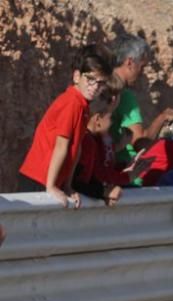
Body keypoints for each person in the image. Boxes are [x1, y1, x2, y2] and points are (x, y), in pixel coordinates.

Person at [17, 45, 113, 207]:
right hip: (38, 177)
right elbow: (61, 146)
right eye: (90, 79)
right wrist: (51, 186)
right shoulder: (72, 103)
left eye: (101, 83)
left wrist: (68, 186)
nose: (95, 86)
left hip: (47, 178)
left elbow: (75, 150)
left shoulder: (82, 105)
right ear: (77, 76)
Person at [108, 34, 173, 165]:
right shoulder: (125, 96)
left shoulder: (101, 87)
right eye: (142, 67)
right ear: (129, 63)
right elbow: (139, 143)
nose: (142, 73)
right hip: (122, 170)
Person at [73, 91, 150, 206]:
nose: (112, 123)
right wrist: (126, 178)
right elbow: (80, 182)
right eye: (110, 118)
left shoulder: (92, 139)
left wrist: (126, 170)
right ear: (98, 119)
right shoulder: (87, 141)